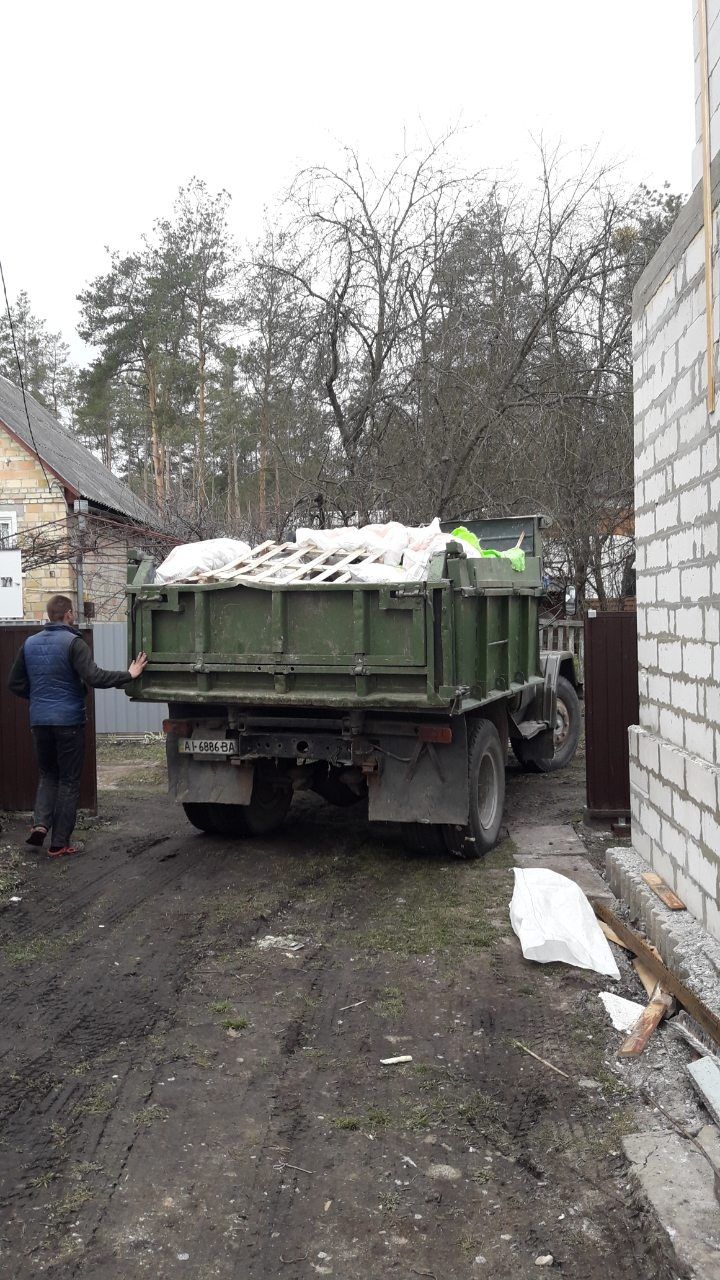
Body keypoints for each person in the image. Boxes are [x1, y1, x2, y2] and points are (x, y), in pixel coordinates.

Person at [7, 594, 147, 858]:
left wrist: (39, 697)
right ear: (69, 614)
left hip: (39, 721)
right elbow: (94, 677)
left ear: (50, 615)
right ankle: (59, 843)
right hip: (68, 722)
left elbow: (14, 684)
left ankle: (40, 824)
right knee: (69, 781)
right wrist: (129, 675)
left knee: (48, 775)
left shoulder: (29, 643)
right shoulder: (74, 642)